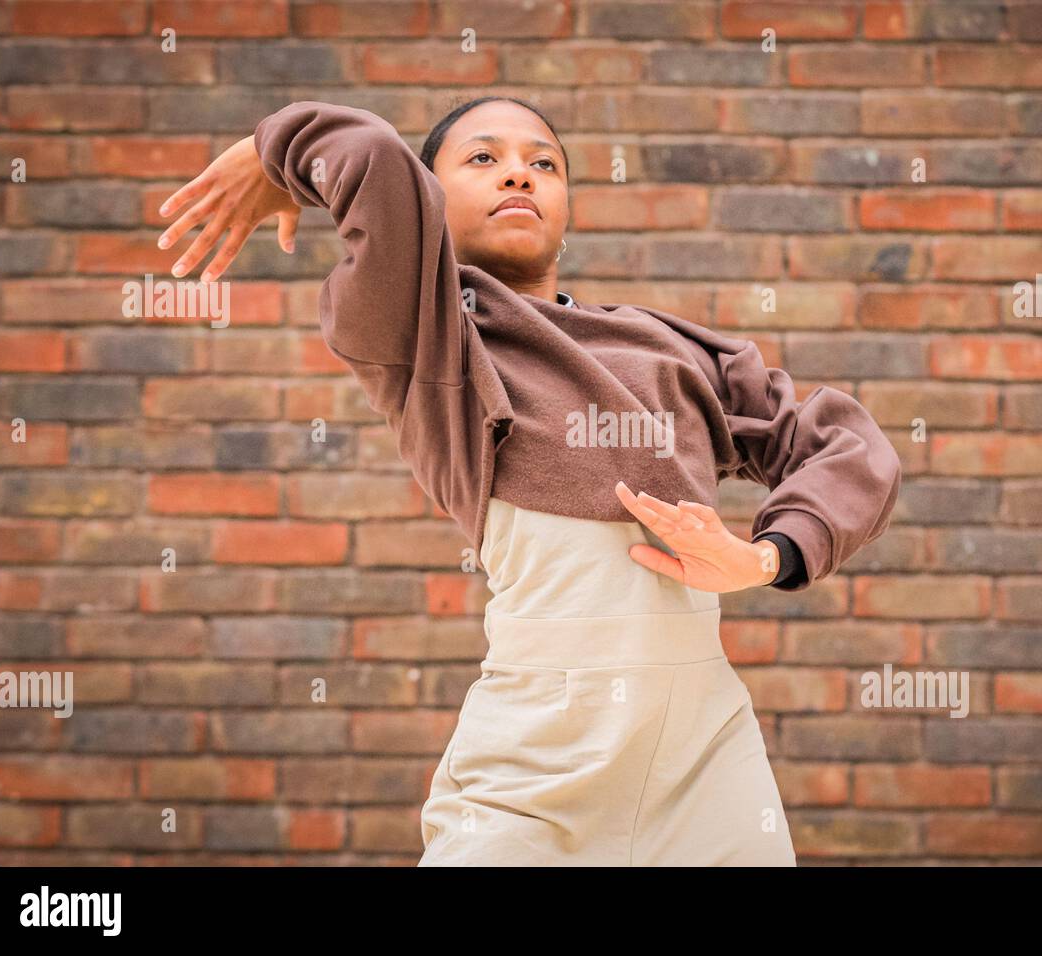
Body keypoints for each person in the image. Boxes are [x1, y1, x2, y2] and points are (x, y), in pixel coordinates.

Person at [158, 96, 902, 866]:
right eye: (482, 159)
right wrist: (273, 149)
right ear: (429, 201)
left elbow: (847, 445)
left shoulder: (671, 349)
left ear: (568, 210)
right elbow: (373, 156)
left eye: (543, 163)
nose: (519, 173)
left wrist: (767, 556)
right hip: (532, 768)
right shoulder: (429, 332)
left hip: (707, 761)